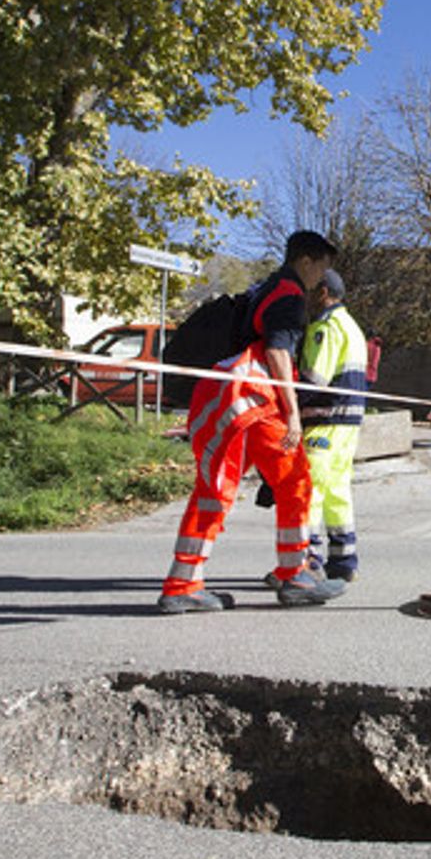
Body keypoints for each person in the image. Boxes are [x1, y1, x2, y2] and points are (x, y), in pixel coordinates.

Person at [157, 230, 348, 612]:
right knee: (295, 480)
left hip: (230, 399)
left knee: (216, 490)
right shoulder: (289, 295)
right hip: (255, 401)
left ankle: (183, 583)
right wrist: (293, 414)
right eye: (322, 266)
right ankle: (294, 576)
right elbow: (278, 354)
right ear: (306, 261)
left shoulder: (266, 287)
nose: (322, 277)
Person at [297, 269, 368, 582]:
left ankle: (308, 559)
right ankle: (344, 559)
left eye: (309, 289)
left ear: (322, 291)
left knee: (309, 491)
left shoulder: (325, 328)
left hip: (324, 420)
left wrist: (290, 404)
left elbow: (315, 378)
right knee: (337, 491)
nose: (305, 296)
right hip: (348, 424)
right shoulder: (351, 326)